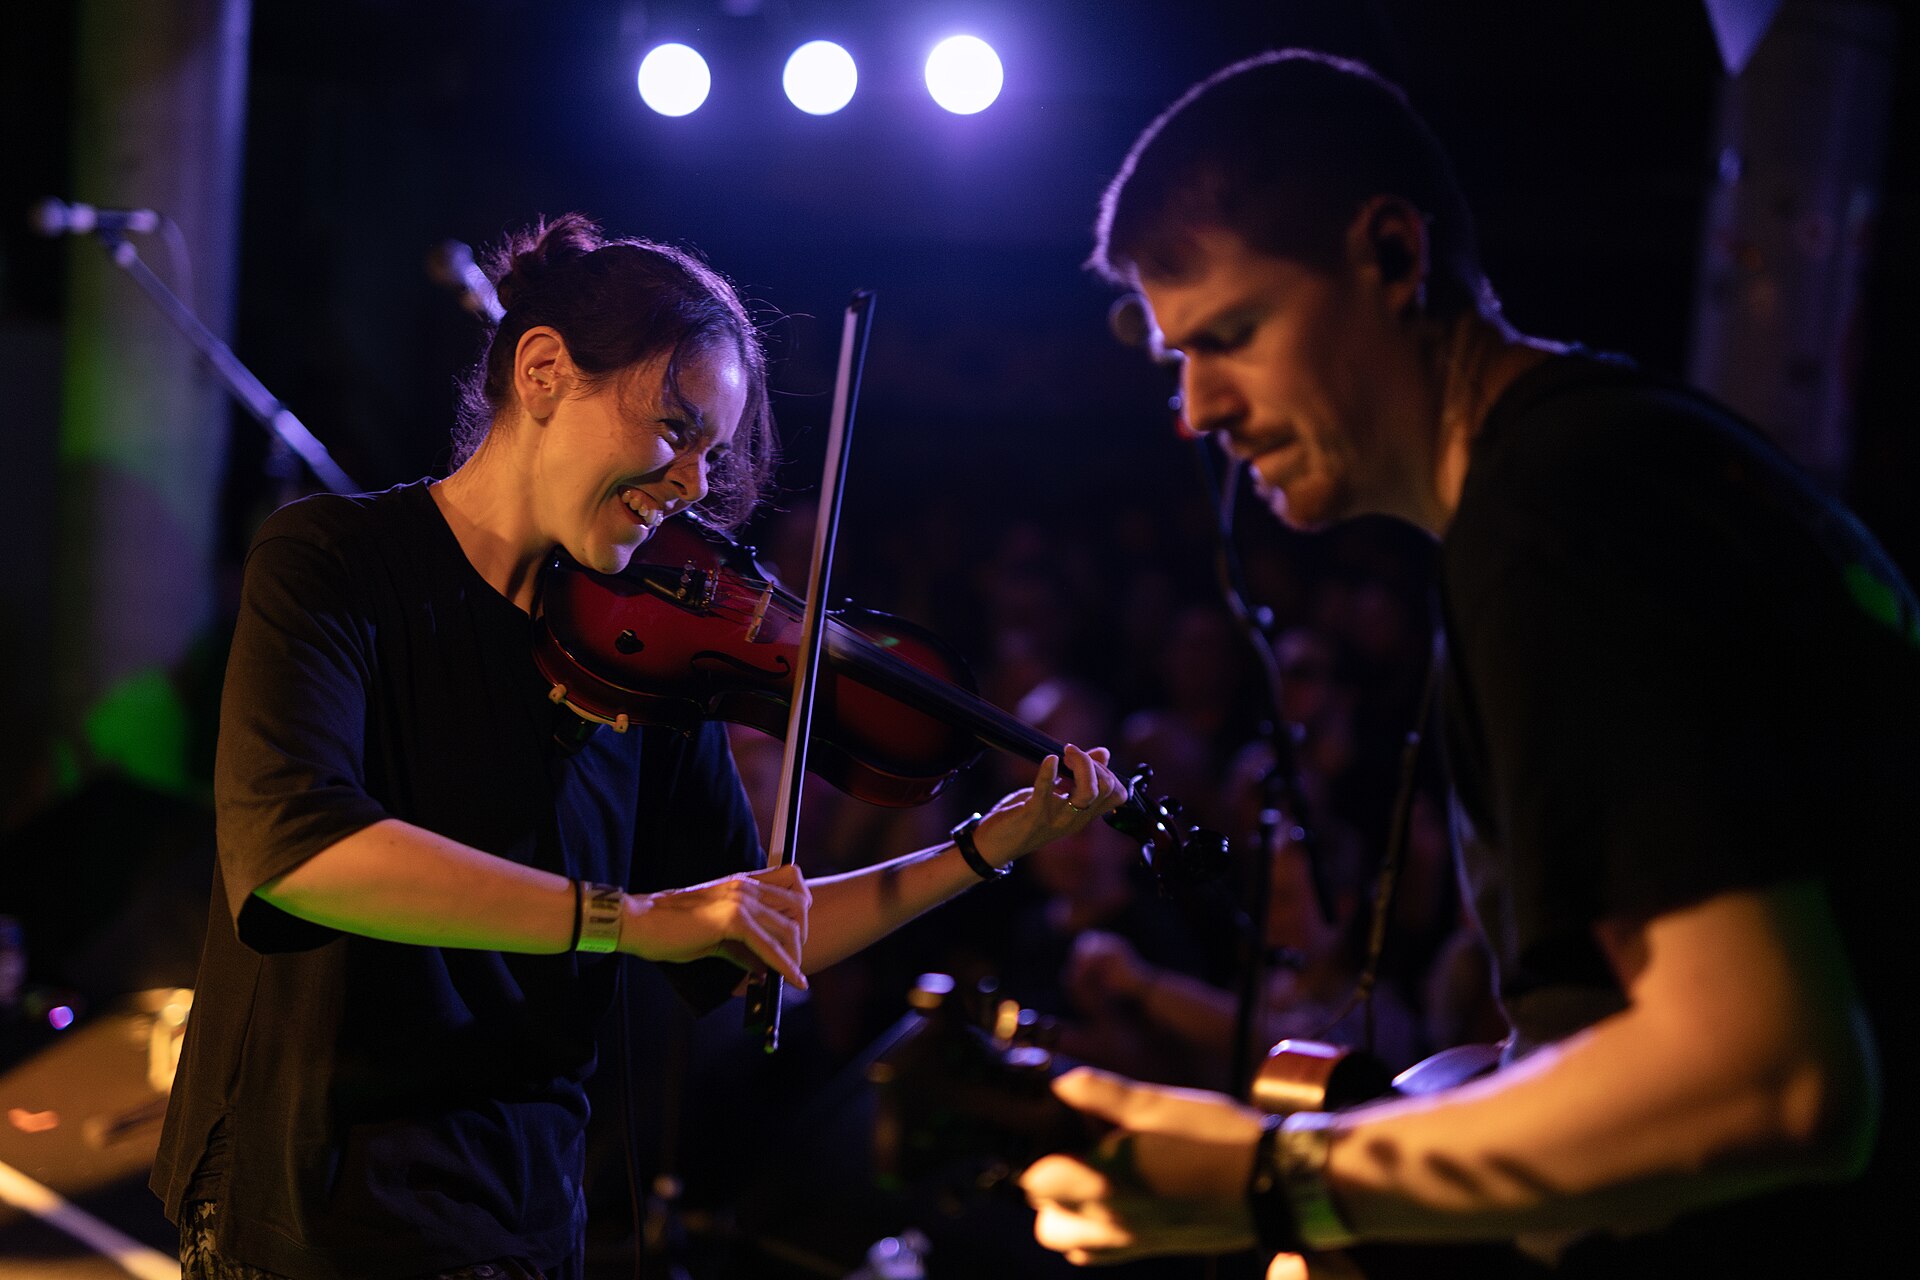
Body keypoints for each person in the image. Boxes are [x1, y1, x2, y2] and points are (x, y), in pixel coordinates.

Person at [1019, 50, 1914, 1276]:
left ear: (1392, 254)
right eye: (1177, 356)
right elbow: (1624, 1026)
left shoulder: (1557, 516)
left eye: (1230, 334)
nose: (1197, 410)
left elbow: (1768, 1071)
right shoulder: (1631, 456)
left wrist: (1276, 1182)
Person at [149, 213, 1127, 1280]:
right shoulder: (335, 562)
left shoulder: (645, 654)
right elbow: (295, 855)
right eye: (675, 428)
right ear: (542, 372)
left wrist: (984, 847)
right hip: (310, 1210)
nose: (700, 484)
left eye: (716, 452)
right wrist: (635, 919)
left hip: (520, 1222)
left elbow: (745, 929)